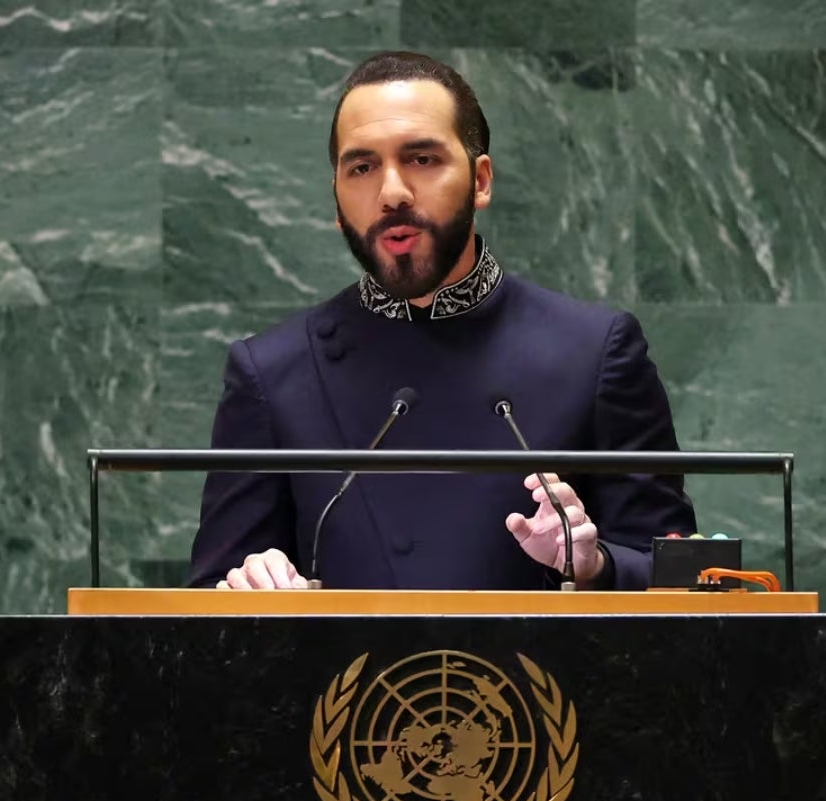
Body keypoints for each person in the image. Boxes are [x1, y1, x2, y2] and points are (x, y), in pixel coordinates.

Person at [187, 51, 696, 592]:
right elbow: (208, 602)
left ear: (480, 180)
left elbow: (678, 577)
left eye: (422, 159)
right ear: (336, 200)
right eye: (361, 168)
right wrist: (249, 585)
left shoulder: (595, 352)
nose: (391, 194)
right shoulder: (271, 371)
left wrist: (595, 565)